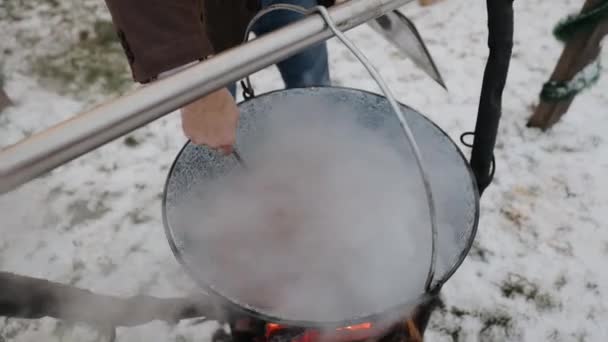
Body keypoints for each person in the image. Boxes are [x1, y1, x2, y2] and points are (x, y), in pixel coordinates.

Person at [104, 0, 338, 154]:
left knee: (314, 90)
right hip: (206, 10)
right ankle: (233, 189)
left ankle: (321, 156)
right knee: (218, 133)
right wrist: (189, 80)